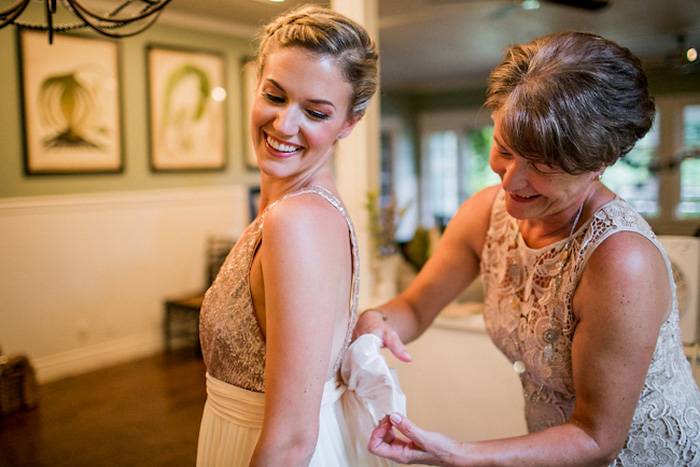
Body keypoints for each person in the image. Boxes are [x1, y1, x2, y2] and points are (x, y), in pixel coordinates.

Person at [355, 31, 700, 466]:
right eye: (503, 150)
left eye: (540, 166)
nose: (509, 181)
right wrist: (378, 321)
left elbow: (598, 438)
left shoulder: (619, 259)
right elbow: (417, 307)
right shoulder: (486, 213)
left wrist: (459, 453)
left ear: (599, 164)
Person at [196, 5, 404, 466]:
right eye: (274, 95)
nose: (284, 125)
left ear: (349, 123)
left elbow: (291, 439)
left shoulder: (297, 220)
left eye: (314, 111)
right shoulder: (301, 209)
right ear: (257, 86)